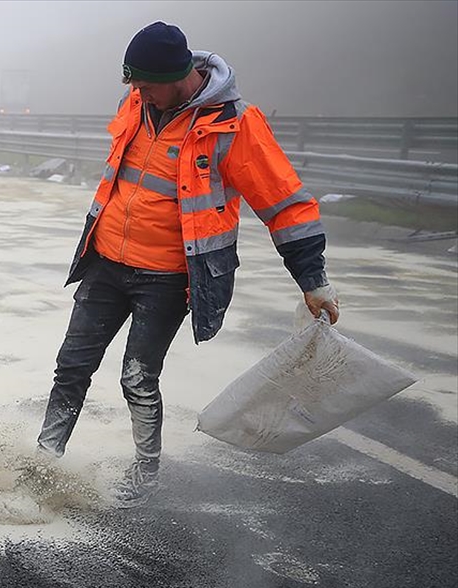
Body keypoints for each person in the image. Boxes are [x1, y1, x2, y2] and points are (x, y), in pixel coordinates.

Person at [33, 21, 340, 508]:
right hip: (107, 262)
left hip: (167, 277)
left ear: (179, 76)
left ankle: (145, 476)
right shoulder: (137, 103)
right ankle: (44, 461)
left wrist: (314, 280)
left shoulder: (234, 125)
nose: (138, 94)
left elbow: (285, 204)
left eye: (147, 85)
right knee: (71, 367)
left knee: (137, 376)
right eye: (133, 85)